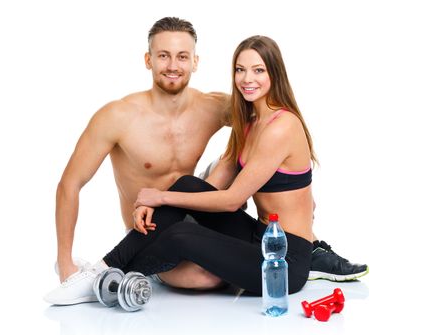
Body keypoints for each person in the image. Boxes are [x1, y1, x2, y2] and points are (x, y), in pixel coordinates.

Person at [45, 20, 367, 305]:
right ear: (148, 60)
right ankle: (100, 271)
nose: (246, 79)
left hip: (284, 259)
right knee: (186, 187)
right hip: (261, 235)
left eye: (258, 70)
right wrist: (169, 206)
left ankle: (104, 280)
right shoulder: (249, 122)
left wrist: (159, 198)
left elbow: (231, 200)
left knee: (182, 238)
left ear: (274, 74)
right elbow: (209, 186)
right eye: (240, 70)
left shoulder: (281, 126)